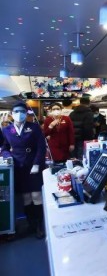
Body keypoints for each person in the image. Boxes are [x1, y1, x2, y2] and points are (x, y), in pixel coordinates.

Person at [0, 102, 47, 238]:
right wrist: (8, 156)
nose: (19, 114)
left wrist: (37, 163)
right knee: (26, 197)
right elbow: (4, 147)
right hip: (18, 165)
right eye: (16, 111)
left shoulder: (34, 127)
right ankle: (31, 224)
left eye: (22, 111)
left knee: (36, 196)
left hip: (34, 163)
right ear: (11, 114)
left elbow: (41, 147)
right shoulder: (7, 130)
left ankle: (39, 226)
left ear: (26, 114)